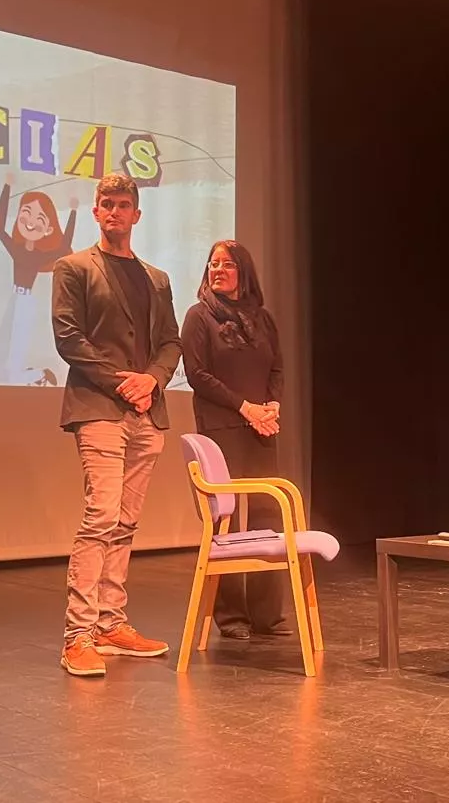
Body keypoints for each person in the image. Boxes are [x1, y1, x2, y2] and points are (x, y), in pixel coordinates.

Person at [50, 172, 182, 677]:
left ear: (137, 214)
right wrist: (120, 382)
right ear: (96, 210)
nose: (114, 212)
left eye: (123, 204)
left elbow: (171, 342)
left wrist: (150, 381)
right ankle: (78, 634)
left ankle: (110, 623)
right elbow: (68, 337)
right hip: (99, 408)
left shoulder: (157, 278)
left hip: (148, 412)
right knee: (100, 517)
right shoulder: (74, 267)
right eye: (107, 203)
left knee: (126, 523)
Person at [179, 240, 291, 639]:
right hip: (221, 428)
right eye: (212, 264)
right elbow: (197, 375)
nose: (218, 270)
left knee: (265, 516)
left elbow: (276, 367)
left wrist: (271, 406)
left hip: (261, 428)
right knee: (224, 522)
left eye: (227, 264)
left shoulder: (262, 318)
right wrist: (245, 407)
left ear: (244, 273)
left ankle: (266, 614)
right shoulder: (199, 317)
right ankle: (232, 616)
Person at [0, 173, 77, 386]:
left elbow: (64, 245)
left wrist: (73, 212)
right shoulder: (17, 249)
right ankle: (34, 376)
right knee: (6, 358)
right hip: (15, 300)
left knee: (13, 362)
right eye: (25, 213)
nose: (30, 222)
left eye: (39, 219)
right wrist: (7, 187)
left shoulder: (39, 256)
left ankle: (39, 375)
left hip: (25, 303)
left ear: (48, 229)